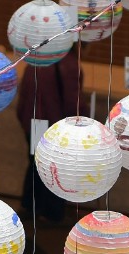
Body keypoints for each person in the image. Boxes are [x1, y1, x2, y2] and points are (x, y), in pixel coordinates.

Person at [16, 47, 88, 225]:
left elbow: (23, 93)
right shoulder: (70, 65)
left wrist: (24, 118)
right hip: (55, 125)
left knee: (35, 165)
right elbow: (73, 102)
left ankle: (30, 207)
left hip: (33, 122)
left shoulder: (35, 60)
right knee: (57, 168)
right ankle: (52, 213)